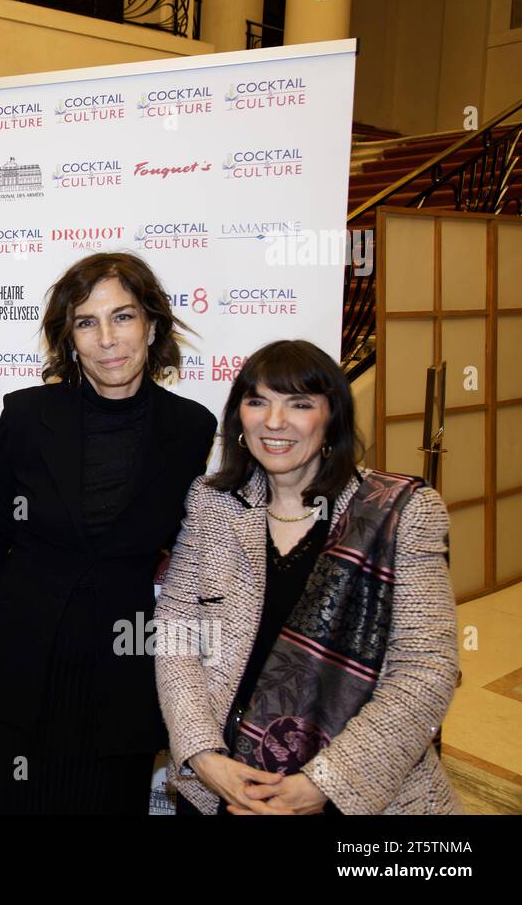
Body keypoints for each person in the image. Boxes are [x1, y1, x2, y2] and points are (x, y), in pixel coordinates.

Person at [154, 339, 462, 814]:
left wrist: (325, 783)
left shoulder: (399, 513)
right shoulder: (213, 503)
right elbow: (176, 633)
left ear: (332, 417)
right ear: (239, 417)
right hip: (225, 782)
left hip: (356, 789)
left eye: (299, 404)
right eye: (258, 401)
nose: (274, 422)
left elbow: (425, 670)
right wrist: (203, 755)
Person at [0, 251, 216, 814]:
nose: (107, 338)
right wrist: (4, 611)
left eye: (122, 317)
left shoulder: (191, 428)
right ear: (69, 338)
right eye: (86, 322)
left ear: (152, 326)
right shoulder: (27, 415)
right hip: (17, 671)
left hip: (120, 678)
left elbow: (189, 544)